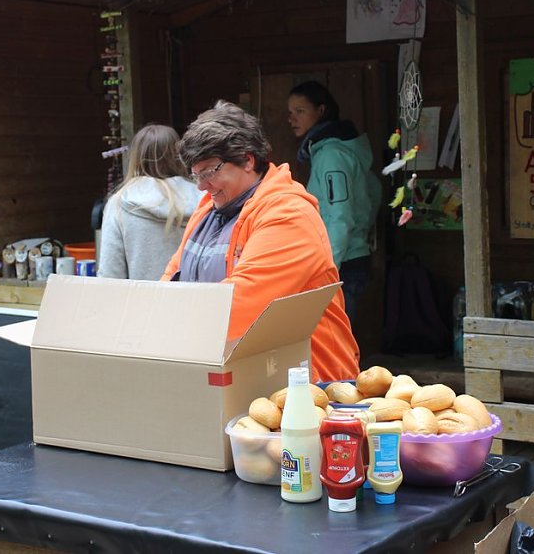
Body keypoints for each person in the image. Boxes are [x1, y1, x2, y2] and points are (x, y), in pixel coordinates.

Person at [162, 100, 359, 382]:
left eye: (209, 172)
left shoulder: (288, 215)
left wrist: (164, 329)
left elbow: (239, 305)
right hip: (242, 378)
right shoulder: (208, 208)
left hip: (312, 387)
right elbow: (171, 279)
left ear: (248, 160)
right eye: (195, 174)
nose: (201, 186)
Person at [287, 81, 382, 324]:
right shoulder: (338, 150)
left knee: (336, 345)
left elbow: (339, 216)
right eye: (290, 112)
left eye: (300, 111)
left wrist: (327, 271)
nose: (292, 119)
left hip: (342, 264)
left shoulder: (331, 155)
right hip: (350, 257)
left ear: (320, 111)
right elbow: (374, 192)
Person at [97, 124, 202, 280]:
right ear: (178, 155)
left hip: (142, 302)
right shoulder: (206, 198)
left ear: (136, 157)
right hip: (199, 301)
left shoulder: (119, 203)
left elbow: (110, 274)